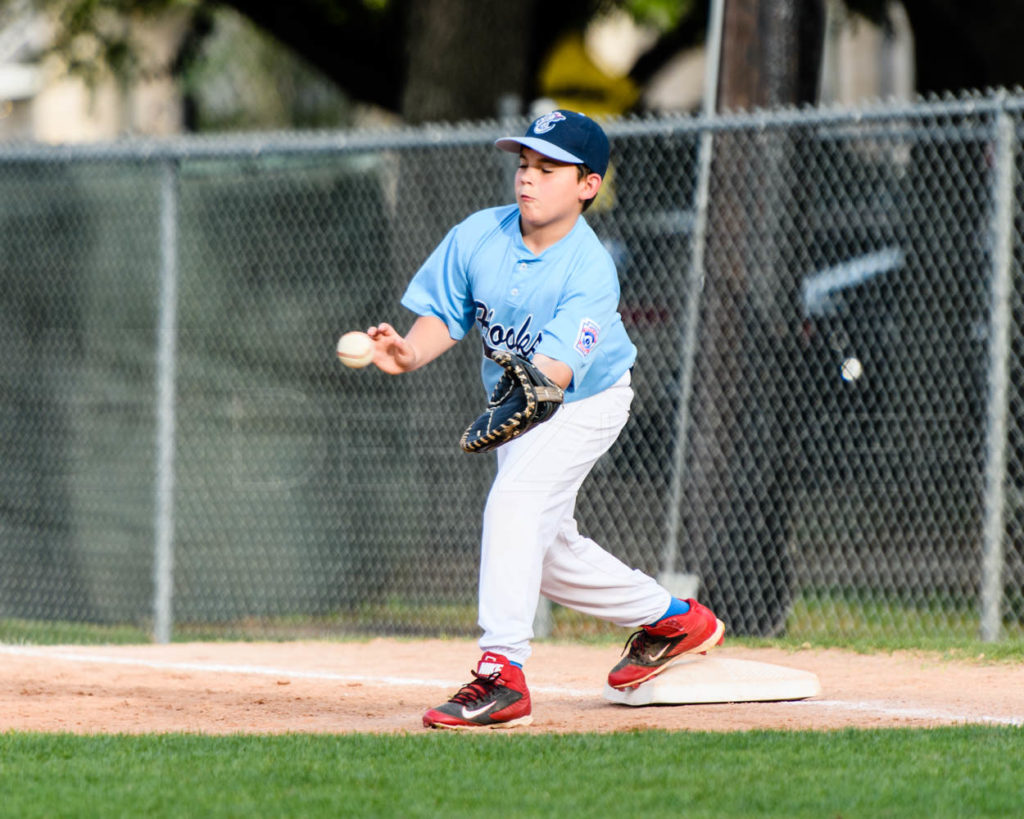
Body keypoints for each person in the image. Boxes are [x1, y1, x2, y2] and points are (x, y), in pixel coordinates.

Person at [366, 110, 725, 729]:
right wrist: (408, 351)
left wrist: (515, 409)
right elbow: (443, 317)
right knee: (549, 554)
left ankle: (501, 673)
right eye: (525, 164)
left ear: (588, 185)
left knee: (512, 506)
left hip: (585, 401)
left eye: (549, 168)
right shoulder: (481, 234)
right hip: (521, 406)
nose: (528, 179)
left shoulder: (590, 268)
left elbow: (553, 375)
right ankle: (674, 619)